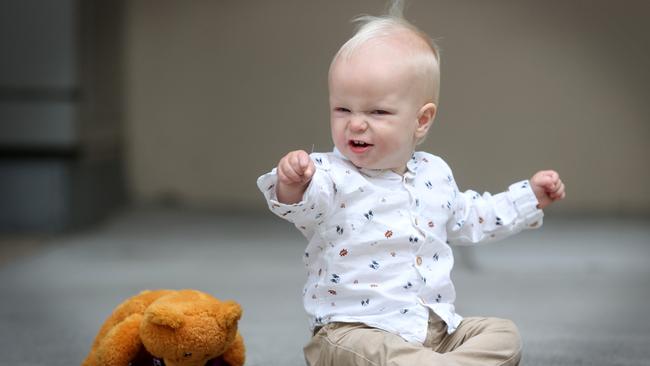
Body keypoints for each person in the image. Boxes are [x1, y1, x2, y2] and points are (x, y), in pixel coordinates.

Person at [257, 2, 566, 365]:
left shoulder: (435, 174)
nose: (355, 124)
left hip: (433, 333)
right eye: (343, 109)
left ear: (421, 120)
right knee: (378, 355)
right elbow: (300, 203)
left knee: (503, 335)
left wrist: (529, 197)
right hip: (352, 333)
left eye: (377, 112)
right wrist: (292, 181)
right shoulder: (329, 174)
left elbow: (473, 216)